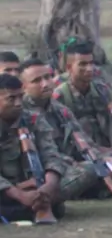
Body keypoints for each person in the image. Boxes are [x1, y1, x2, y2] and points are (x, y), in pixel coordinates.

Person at [20, 59, 105, 202]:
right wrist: (72, 162)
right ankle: (41, 199)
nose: (45, 84)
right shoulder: (21, 114)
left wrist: (101, 159)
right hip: (40, 174)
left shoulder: (60, 110)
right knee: (90, 170)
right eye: (36, 81)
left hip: (63, 167)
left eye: (47, 77)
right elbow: (42, 155)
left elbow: (84, 142)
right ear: (24, 87)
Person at [0, 73, 66, 223]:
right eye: (11, 98)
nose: (18, 103)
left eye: (20, 97)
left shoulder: (33, 119)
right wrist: (19, 194)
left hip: (34, 184)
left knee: (82, 172)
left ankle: (39, 202)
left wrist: (48, 186)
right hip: (6, 190)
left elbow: (51, 154)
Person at [54, 44, 112, 154]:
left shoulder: (102, 90)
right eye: (83, 64)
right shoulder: (60, 96)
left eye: (91, 63)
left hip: (109, 150)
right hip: (80, 154)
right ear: (69, 68)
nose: (89, 69)